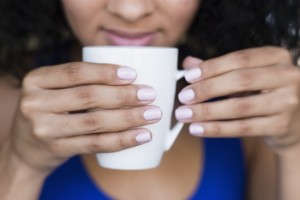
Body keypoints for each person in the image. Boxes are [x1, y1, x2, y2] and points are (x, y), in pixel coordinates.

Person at [1, 0, 300, 199]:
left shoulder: (250, 105)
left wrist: (293, 145)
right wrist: (21, 165)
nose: (131, 10)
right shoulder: (11, 102)